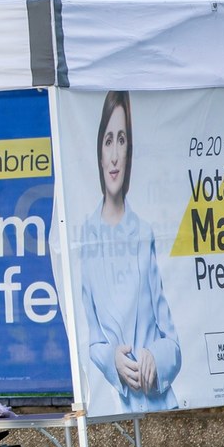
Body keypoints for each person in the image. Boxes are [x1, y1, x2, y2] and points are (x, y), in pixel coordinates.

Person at [80, 91, 181, 413]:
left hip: (158, 404)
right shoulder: (83, 237)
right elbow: (88, 335)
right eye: (108, 140)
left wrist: (155, 356)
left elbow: (172, 341)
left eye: (121, 140)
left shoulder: (145, 233)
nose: (113, 155)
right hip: (112, 404)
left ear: (129, 151)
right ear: (98, 152)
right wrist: (112, 362)